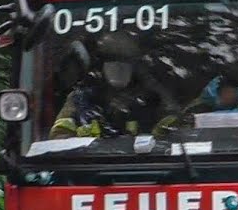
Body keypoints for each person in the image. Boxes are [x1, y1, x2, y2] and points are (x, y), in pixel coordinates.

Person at [48, 31, 176, 139]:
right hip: (91, 165)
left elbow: (176, 132)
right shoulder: (81, 100)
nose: (118, 67)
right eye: (111, 59)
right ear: (100, 65)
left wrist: (152, 87)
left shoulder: (152, 101)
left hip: (145, 166)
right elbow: (59, 139)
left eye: (124, 60)